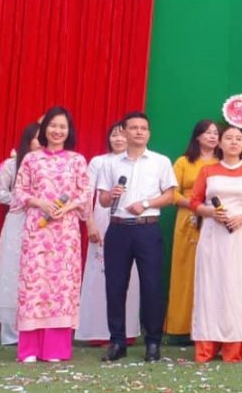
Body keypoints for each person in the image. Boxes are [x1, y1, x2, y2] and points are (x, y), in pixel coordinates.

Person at [13, 106, 92, 363]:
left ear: (69, 131)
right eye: (53, 125)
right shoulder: (31, 159)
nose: (58, 131)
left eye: (62, 127)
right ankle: (29, 349)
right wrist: (40, 203)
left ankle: (55, 349)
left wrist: (68, 207)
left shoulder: (77, 160)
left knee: (62, 285)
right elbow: (19, 192)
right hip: (38, 229)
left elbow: (85, 192)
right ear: (44, 129)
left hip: (66, 232)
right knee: (34, 283)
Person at [97, 111, 177, 363]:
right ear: (124, 131)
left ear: (149, 133)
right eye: (133, 128)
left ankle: (153, 342)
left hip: (147, 227)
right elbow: (102, 200)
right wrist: (111, 194)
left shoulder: (160, 161)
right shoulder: (111, 164)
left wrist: (145, 203)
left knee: (152, 286)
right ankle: (117, 342)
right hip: (118, 228)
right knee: (115, 286)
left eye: (143, 128)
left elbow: (170, 195)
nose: (139, 132)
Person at [189, 125, 242, 362]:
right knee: (210, 284)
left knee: (237, 285)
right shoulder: (207, 171)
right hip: (213, 234)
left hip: (240, 234)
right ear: (220, 143)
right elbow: (194, 202)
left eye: (238, 138)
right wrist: (211, 213)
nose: (233, 142)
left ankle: (234, 345)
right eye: (228, 138)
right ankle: (206, 345)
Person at [75, 122, 142, 343]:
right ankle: (97, 331)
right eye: (114, 135)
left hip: (130, 221)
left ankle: (127, 331)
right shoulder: (99, 162)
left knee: (130, 276)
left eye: (123, 134)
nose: (119, 139)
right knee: (100, 274)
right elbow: (86, 194)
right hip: (103, 220)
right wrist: (90, 224)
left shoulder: (138, 162)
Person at [164, 120, 221, 339]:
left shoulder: (223, 162)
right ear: (197, 136)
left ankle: (209, 327)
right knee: (186, 272)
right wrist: (196, 206)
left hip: (215, 218)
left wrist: (209, 209)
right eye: (208, 133)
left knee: (213, 272)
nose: (213, 136)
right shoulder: (184, 162)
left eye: (216, 133)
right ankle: (182, 327)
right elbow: (172, 193)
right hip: (188, 219)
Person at [0, 122, 39, 346]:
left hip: (43, 223)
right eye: (37, 138)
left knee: (37, 273)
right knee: (12, 271)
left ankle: (36, 328)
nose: (41, 142)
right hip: (17, 221)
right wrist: (23, 200)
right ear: (28, 140)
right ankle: (11, 332)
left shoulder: (52, 165)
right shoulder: (12, 164)